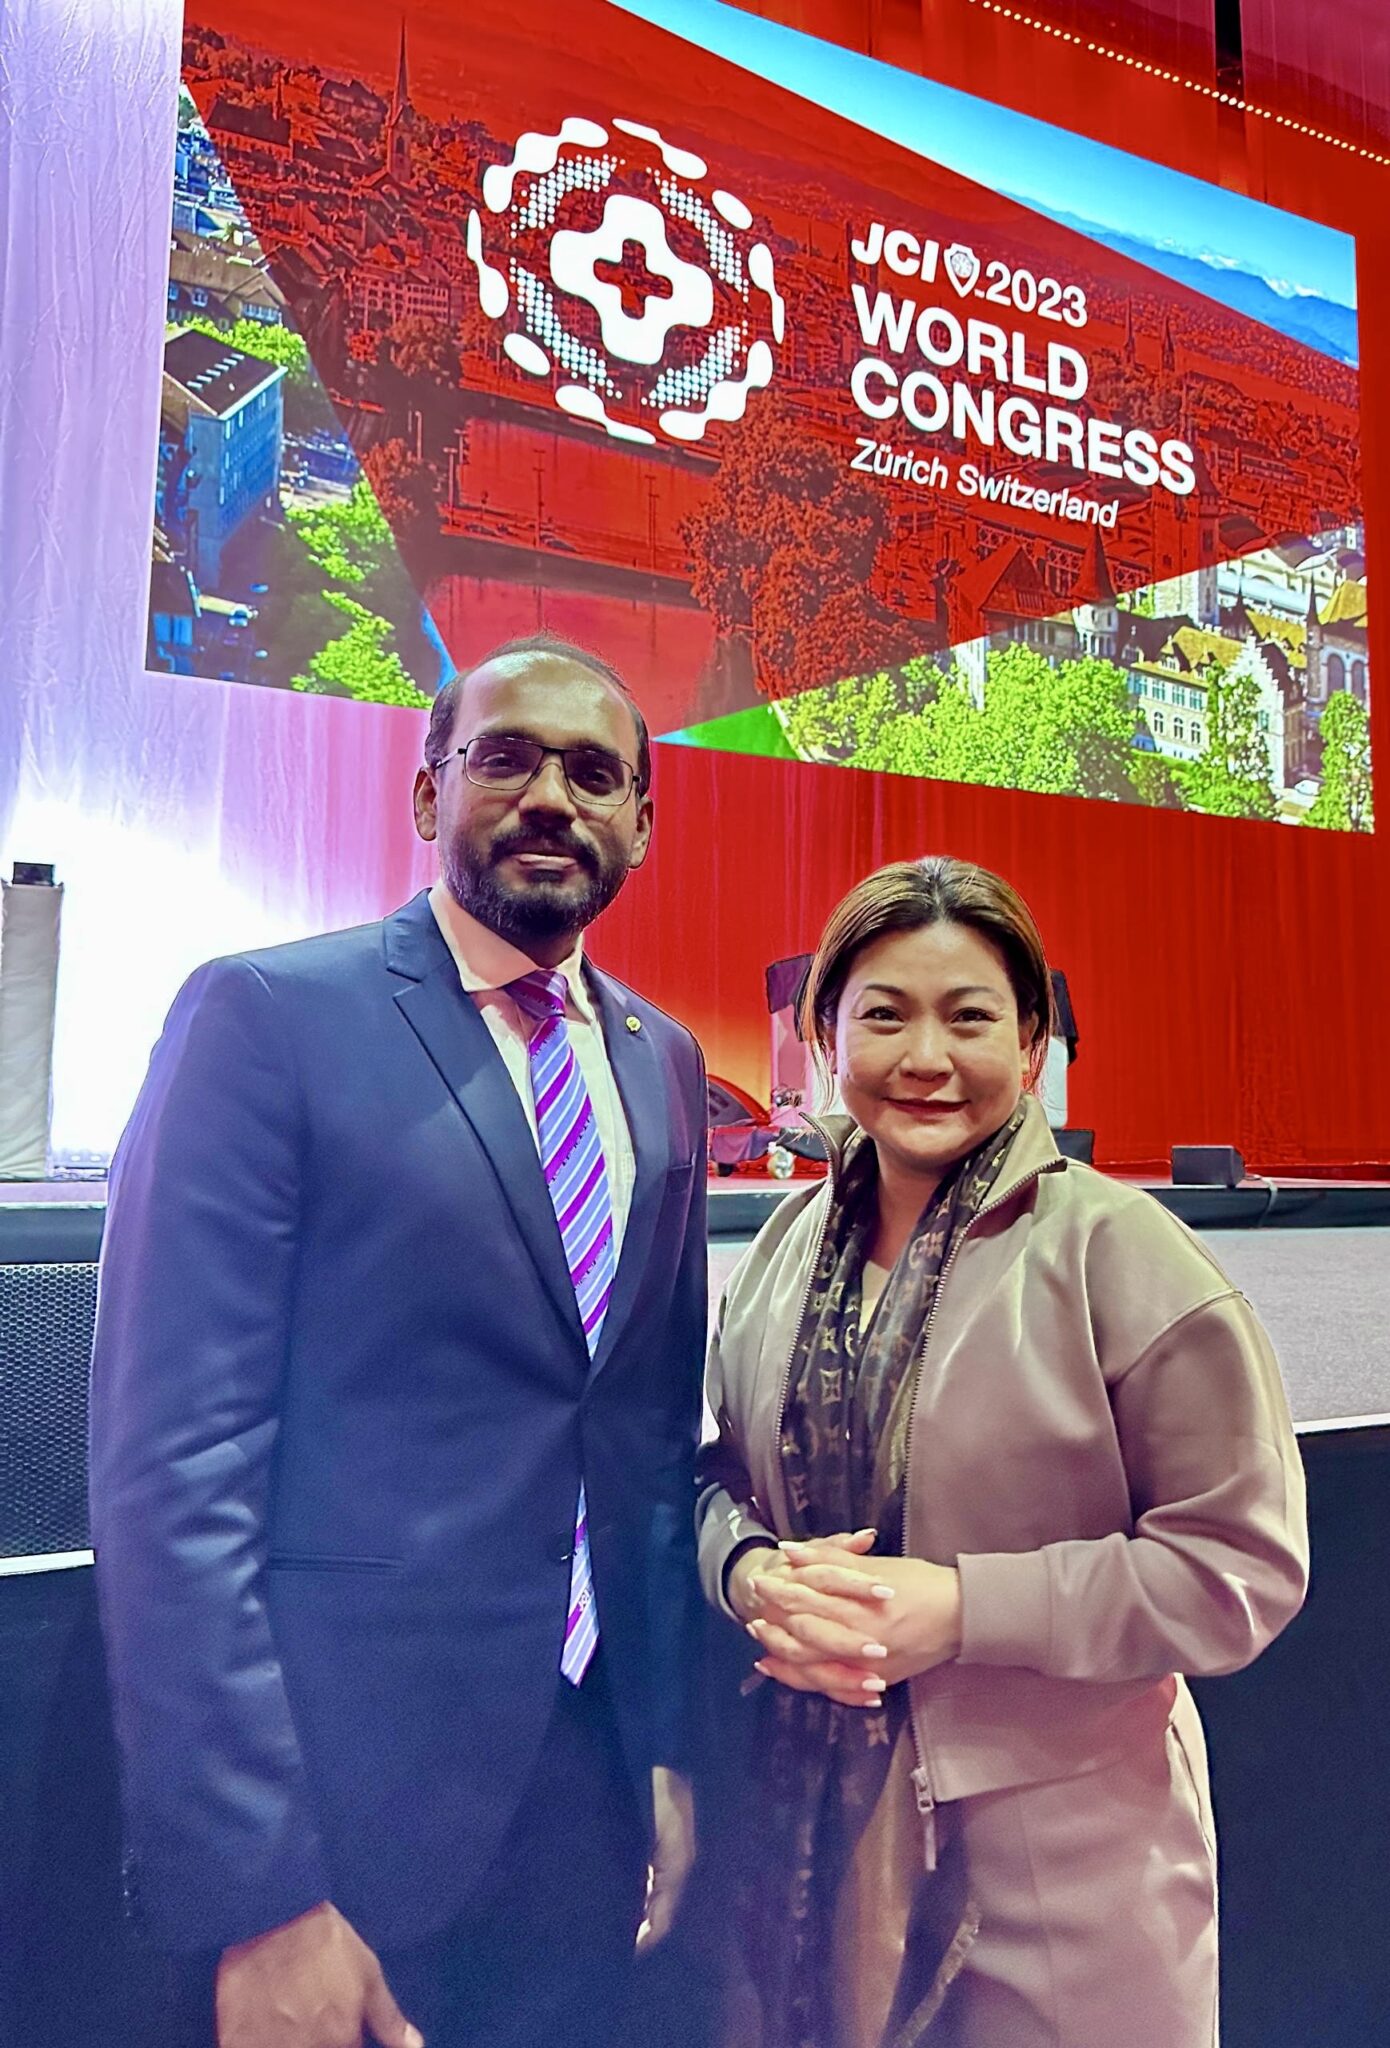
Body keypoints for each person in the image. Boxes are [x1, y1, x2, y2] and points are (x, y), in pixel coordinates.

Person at [90, 635, 706, 2048]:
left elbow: (644, 1439)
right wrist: (258, 1889)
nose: (550, 795)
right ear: (429, 793)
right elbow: (171, 1475)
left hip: (585, 1790)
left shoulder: (662, 1060)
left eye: (593, 772)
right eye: (506, 757)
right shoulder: (265, 1016)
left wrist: (664, 1743)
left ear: (639, 824)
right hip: (336, 1814)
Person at [697, 856, 1307, 2048]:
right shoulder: (783, 1247)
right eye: (883, 1014)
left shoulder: (1121, 1252)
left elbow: (1240, 1569)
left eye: (969, 1016)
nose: (925, 1056)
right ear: (825, 1038)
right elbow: (715, 1475)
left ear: (1030, 1045)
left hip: (1062, 1879)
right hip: (800, 1843)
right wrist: (751, 1572)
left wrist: (963, 1607)